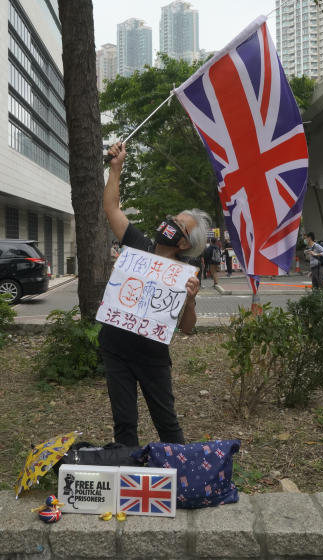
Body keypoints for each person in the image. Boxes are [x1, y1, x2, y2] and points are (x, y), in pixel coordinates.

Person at [101, 141, 210, 447]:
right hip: (115, 348)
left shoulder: (186, 273)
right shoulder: (138, 244)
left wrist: (190, 298)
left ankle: (180, 477)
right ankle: (127, 471)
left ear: (185, 244)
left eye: (178, 225)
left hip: (152, 356)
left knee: (166, 421)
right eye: (173, 219)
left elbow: (187, 328)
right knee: (124, 422)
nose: (170, 224)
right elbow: (111, 208)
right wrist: (116, 168)